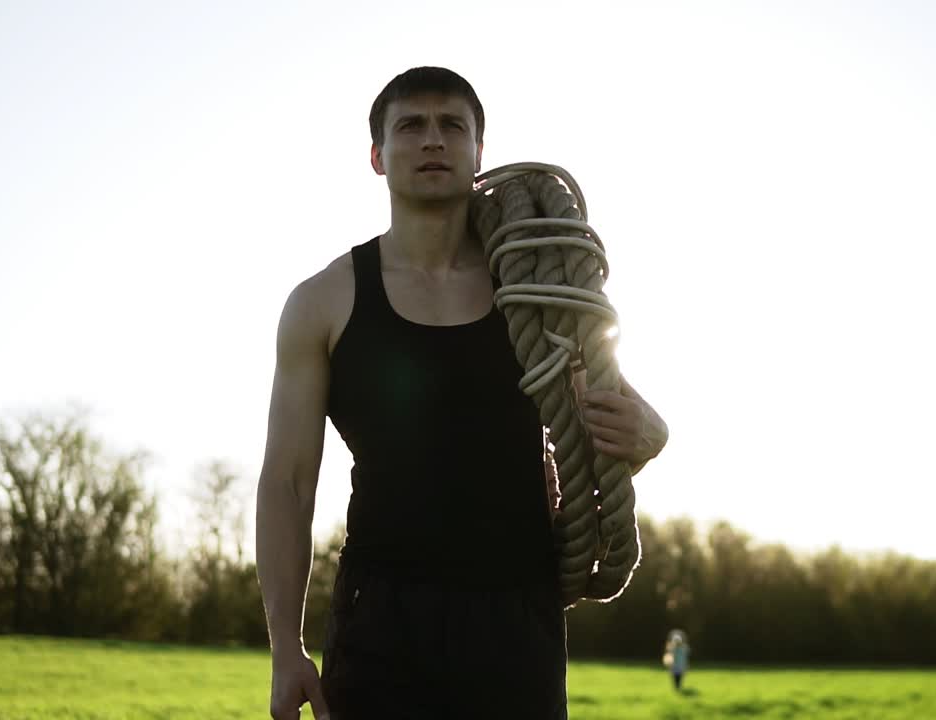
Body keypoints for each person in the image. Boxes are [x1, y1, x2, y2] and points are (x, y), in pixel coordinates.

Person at [255, 67, 669, 720]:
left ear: (479, 153)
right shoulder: (322, 303)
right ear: (376, 155)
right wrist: (286, 646)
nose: (432, 139)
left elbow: (606, 412)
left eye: (452, 125)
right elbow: (287, 482)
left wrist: (650, 434)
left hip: (517, 624)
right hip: (380, 622)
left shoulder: (534, 289)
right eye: (410, 126)